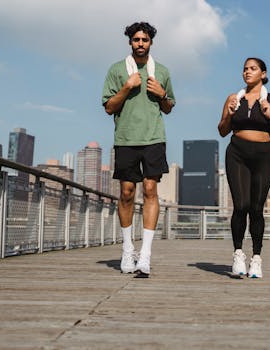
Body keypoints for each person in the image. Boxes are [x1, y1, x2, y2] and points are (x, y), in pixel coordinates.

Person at [102, 22, 175, 277]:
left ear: (151, 42)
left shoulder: (162, 71)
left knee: (151, 189)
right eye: (136, 40)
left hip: (154, 138)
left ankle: (145, 254)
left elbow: (168, 107)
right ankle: (127, 249)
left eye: (144, 40)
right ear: (130, 42)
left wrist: (162, 94)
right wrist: (127, 87)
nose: (140, 43)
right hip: (126, 139)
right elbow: (109, 107)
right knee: (126, 192)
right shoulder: (117, 70)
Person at [218, 58, 270, 278]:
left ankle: (256, 258)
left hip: (263, 155)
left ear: (263, 73)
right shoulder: (233, 98)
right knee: (241, 205)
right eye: (245, 69)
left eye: (253, 69)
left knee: (256, 208)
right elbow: (222, 130)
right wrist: (230, 114)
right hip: (237, 152)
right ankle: (238, 253)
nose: (247, 72)